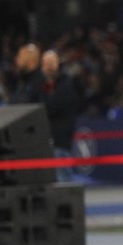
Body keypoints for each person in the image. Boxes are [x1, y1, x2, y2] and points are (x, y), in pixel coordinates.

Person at [40, 49, 82, 182]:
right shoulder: (43, 85)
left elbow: (50, 107)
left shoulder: (66, 84)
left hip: (60, 140)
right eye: (46, 63)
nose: (49, 67)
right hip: (46, 141)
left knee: (63, 181)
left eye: (52, 63)